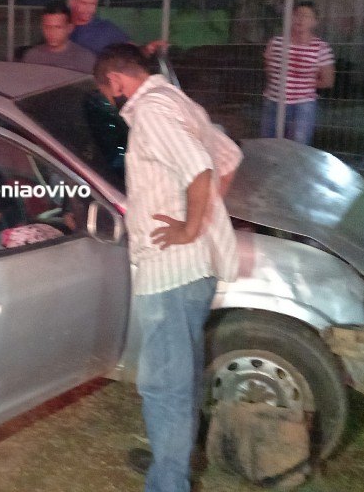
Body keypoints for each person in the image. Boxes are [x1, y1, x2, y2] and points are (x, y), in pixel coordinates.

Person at [94, 44, 241, 492]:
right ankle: (170, 460)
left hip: (171, 271)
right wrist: (206, 215)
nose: (109, 100)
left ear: (117, 81)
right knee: (179, 375)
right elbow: (228, 159)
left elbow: (200, 171)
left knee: (164, 385)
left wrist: (189, 227)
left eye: (106, 91)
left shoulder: (153, 112)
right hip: (191, 271)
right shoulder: (179, 101)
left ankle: (169, 481)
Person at [261, 1, 335, 144]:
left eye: (306, 16)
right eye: (297, 15)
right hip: (273, 102)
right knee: (267, 145)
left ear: (314, 22)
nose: (300, 19)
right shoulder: (276, 43)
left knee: (297, 148)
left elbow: (328, 81)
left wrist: (302, 84)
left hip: (302, 106)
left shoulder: (321, 48)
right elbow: (269, 69)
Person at [69, 0, 165, 56]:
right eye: (84, 3)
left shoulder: (106, 29)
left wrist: (147, 48)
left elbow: (131, 50)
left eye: (93, 4)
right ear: (73, 2)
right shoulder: (61, 24)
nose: (88, 9)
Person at [21, 3, 96, 73]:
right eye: (47, 27)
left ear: (70, 28)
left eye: (58, 27)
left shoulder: (85, 58)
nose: (52, 32)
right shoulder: (32, 57)